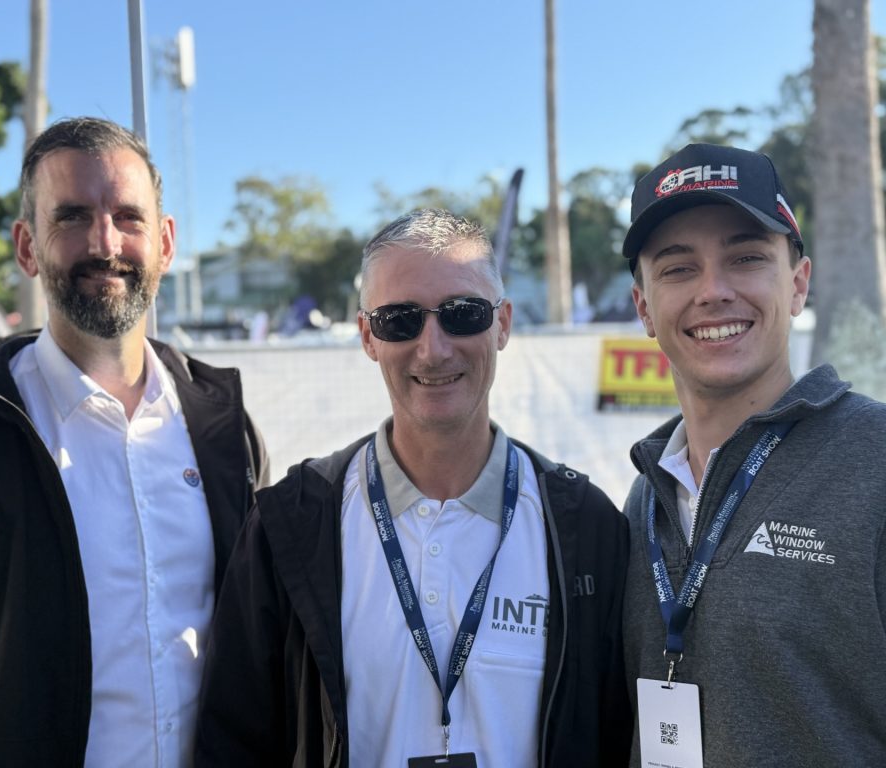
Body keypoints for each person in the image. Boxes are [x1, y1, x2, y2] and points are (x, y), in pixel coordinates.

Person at [0, 116, 268, 766]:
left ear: (165, 242)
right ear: (27, 247)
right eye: (73, 217)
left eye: (128, 217)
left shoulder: (225, 433)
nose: (105, 242)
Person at [196, 208, 631, 767]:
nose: (433, 349)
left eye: (463, 314)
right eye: (400, 320)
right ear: (367, 337)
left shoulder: (585, 527)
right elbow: (234, 740)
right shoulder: (293, 522)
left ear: (502, 324)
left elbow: (618, 736)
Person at [621, 143, 886, 766]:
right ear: (644, 309)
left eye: (745, 258)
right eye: (678, 268)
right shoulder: (645, 495)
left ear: (797, 284)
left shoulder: (876, 460)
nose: (713, 291)